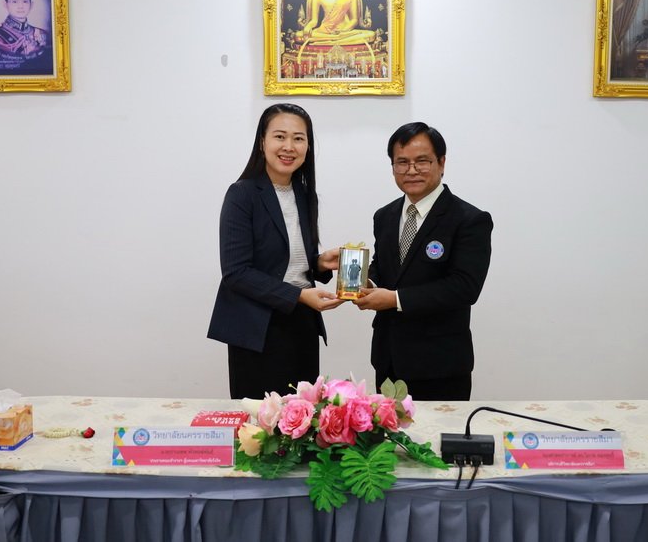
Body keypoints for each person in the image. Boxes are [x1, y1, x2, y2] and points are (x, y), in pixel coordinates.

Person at [208, 104, 342, 399]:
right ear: (262, 142)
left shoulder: (305, 194)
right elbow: (236, 272)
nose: (289, 147)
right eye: (280, 136)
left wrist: (320, 263)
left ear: (308, 146)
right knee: (261, 421)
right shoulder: (242, 194)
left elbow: (287, 260)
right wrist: (298, 295)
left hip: (303, 322)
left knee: (305, 416)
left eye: (299, 138)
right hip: (257, 327)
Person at [353, 123, 493, 401]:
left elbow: (464, 287)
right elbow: (385, 268)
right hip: (388, 359)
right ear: (392, 167)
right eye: (402, 162)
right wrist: (362, 281)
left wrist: (394, 299)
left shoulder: (469, 219)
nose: (411, 170)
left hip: (440, 364)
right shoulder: (384, 216)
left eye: (422, 161)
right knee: (389, 430)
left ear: (441, 163)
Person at [0, 0, 51, 71]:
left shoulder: (42, 33)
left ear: (31, 5)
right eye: (14, 1)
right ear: (5, 4)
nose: (20, 6)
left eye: (25, 1)